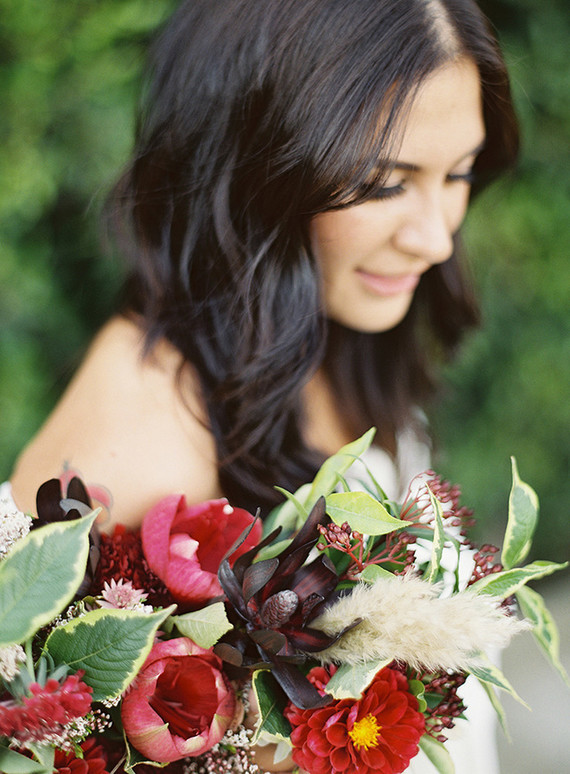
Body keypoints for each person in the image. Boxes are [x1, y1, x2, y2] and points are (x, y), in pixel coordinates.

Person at [7, 0, 519, 771]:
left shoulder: (335, 331)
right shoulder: (138, 438)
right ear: (254, 166)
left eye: (459, 173)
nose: (437, 236)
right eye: (384, 183)